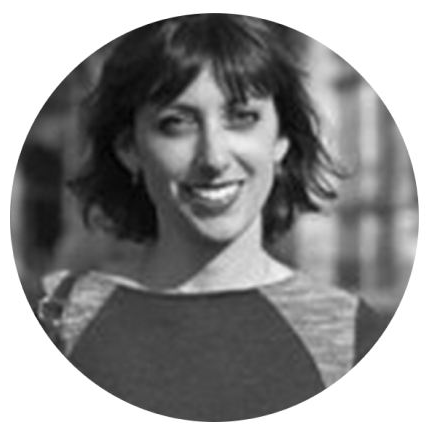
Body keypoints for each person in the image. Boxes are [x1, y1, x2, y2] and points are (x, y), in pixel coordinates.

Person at [38, 14, 393, 421]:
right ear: (129, 149)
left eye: (241, 117)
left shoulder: (348, 334)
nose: (214, 157)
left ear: (281, 139)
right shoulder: (63, 317)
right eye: (176, 123)